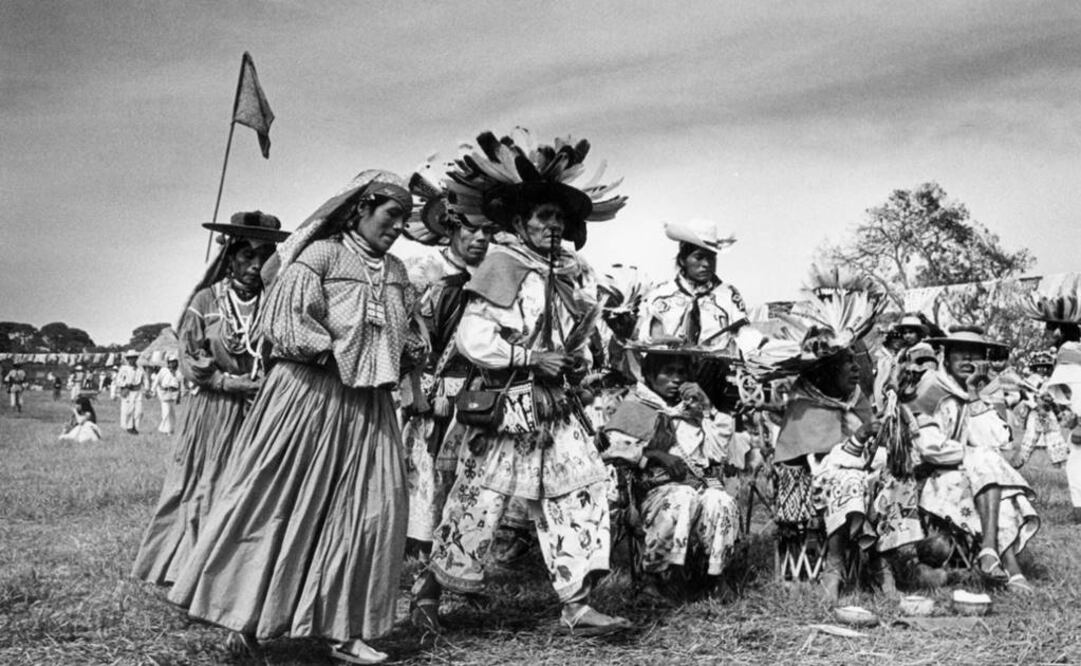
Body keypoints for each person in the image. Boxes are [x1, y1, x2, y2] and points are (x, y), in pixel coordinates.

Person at [169, 171, 421, 665]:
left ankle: (346, 628)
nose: (397, 228)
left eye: (404, 221)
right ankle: (242, 615)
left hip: (369, 405)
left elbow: (406, 334)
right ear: (360, 209)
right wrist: (341, 352)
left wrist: (403, 352)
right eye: (391, 217)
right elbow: (287, 323)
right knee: (275, 502)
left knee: (370, 510)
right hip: (309, 394)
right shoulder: (320, 256)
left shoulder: (396, 271)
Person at [411, 129, 632, 637]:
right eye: (542, 217)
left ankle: (577, 605)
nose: (553, 226)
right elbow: (473, 338)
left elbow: (576, 341)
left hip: (555, 410)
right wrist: (533, 358)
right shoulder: (503, 266)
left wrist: (573, 362)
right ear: (519, 222)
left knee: (582, 489)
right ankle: (428, 593)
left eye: (559, 218)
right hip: (508, 409)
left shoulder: (569, 276)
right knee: (478, 503)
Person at [133, 212, 288, 590]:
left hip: (259, 410)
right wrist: (227, 382)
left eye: (263, 256)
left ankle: (235, 576)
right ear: (230, 256)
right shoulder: (207, 300)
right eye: (246, 255)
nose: (254, 265)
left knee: (248, 488)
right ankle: (187, 571)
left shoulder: (277, 302)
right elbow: (191, 359)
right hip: (214, 410)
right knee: (204, 483)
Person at [400, 168, 497, 556]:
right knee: (423, 458)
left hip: (476, 386)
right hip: (429, 381)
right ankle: (417, 540)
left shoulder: (493, 276)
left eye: (487, 232)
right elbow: (406, 333)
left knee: (463, 463)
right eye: (470, 230)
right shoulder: (425, 273)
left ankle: (454, 542)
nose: (479, 239)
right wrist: (425, 387)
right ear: (451, 229)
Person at [602, 348, 740, 599]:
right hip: (652, 494)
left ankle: (716, 577)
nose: (676, 379)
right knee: (682, 496)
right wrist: (654, 456)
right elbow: (611, 451)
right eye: (668, 372)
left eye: (682, 372)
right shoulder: (635, 406)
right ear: (651, 376)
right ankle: (654, 577)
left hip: (697, 488)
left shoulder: (693, 411)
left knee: (721, 501)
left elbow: (717, 453)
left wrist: (708, 408)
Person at [910, 327, 1040, 594]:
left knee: (992, 473)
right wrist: (968, 455)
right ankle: (1006, 563)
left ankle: (992, 553)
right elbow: (928, 447)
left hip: (970, 474)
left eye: (975, 356)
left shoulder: (973, 392)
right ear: (946, 358)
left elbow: (997, 440)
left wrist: (973, 396)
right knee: (987, 466)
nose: (968, 362)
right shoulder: (932, 390)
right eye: (961, 355)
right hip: (928, 478)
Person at [636, 219, 763, 411]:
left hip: (713, 382)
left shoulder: (727, 295)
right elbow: (646, 338)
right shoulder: (660, 295)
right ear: (682, 260)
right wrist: (661, 341)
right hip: (669, 381)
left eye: (711, 258)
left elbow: (746, 337)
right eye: (699, 257)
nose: (706, 264)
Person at [151, 353, 184, 435]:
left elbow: (180, 384)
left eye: (174, 362)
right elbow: (157, 380)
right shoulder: (163, 370)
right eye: (170, 362)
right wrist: (153, 389)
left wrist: (180, 395)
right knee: (166, 412)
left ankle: (171, 429)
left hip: (174, 393)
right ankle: (166, 430)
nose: (172, 364)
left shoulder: (178, 372)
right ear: (168, 363)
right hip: (165, 393)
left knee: (172, 413)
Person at [116, 352, 147, 434]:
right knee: (128, 410)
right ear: (127, 359)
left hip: (137, 391)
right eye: (130, 358)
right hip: (128, 391)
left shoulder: (140, 369)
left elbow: (145, 379)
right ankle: (129, 427)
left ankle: (136, 427)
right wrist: (125, 384)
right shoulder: (123, 368)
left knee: (139, 411)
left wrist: (147, 388)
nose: (131, 360)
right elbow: (118, 380)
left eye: (133, 358)